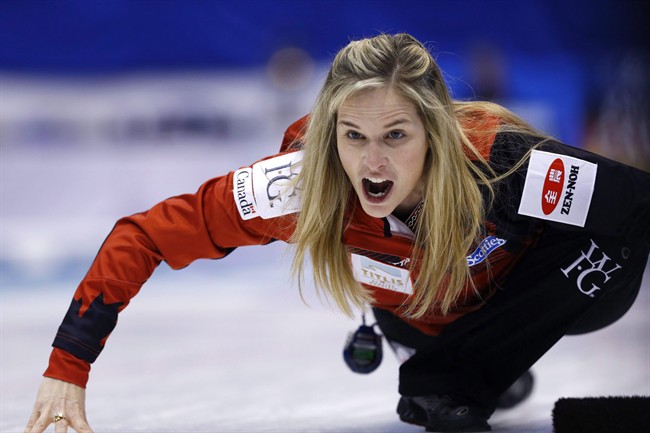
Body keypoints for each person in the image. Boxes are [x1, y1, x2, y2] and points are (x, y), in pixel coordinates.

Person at [24, 33, 650, 433]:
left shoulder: (503, 164)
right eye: (353, 136)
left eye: (396, 135)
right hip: (418, 317)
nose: (372, 163)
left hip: (553, 298)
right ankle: (473, 371)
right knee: (447, 391)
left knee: (620, 228)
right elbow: (145, 236)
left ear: (436, 132)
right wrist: (66, 368)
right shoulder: (298, 184)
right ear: (330, 135)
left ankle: (463, 371)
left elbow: (637, 203)